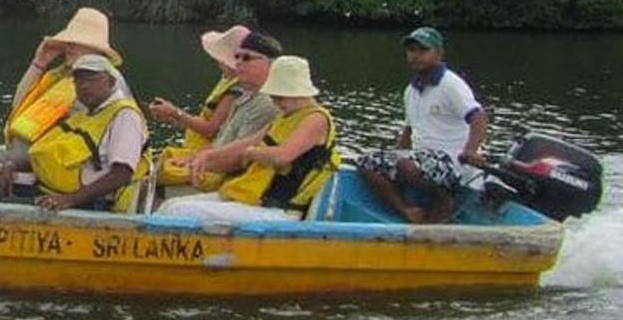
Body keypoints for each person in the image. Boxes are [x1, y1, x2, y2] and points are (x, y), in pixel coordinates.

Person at [160, 56, 340, 221]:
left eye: (279, 96)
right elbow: (247, 143)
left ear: (298, 93)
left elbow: (281, 156)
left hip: (280, 211)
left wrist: (253, 153)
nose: (275, 102)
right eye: (272, 96)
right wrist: (206, 157)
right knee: (170, 205)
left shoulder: (316, 119)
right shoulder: (286, 117)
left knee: (180, 211)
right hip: (258, 201)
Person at [0, 54, 151, 213]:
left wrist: (69, 200)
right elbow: (45, 151)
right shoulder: (85, 113)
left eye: (92, 79)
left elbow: (121, 174)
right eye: (78, 79)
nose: (84, 85)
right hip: (48, 190)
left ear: (111, 81)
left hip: (90, 203)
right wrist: (10, 166)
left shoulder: (125, 115)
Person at [356, 27, 487, 223]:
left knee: (407, 166)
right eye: (411, 51)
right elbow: (409, 130)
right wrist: (396, 156)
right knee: (366, 162)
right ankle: (407, 209)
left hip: (453, 162)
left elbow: (478, 116)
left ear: (439, 54)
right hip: (421, 161)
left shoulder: (450, 84)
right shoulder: (411, 90)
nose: (415, 56)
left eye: (423, 50)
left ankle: (444, 199)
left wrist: (471, 150)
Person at [3, 7, 128, 166]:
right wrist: (39, 63)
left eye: (78, 42)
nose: (69, 47)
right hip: (36, 160)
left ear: (97, 50)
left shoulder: (102, 82)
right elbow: (18, 105)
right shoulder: (62, 75)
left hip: (66, 166)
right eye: (69, 42)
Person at [173, 31, 284, 191]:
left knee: (171, 206)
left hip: (231, 183)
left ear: (270, 65)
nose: (238, 62)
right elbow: (220, 143)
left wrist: (197, 161)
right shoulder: (244, 97)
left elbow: (237, 160)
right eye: (236, 57)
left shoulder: (267, 103)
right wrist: (193, 158)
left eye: (246, 58)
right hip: (217, 173)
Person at [150, 25, 250, 188]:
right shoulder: (227, 80)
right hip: (202, 149)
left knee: (163, 171)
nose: (217, 62)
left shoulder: (236, 90)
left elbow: (211, 130)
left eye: (221, 59)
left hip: (210, 153)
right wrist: (174, 118)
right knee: (163, 159)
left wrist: (175, 112)